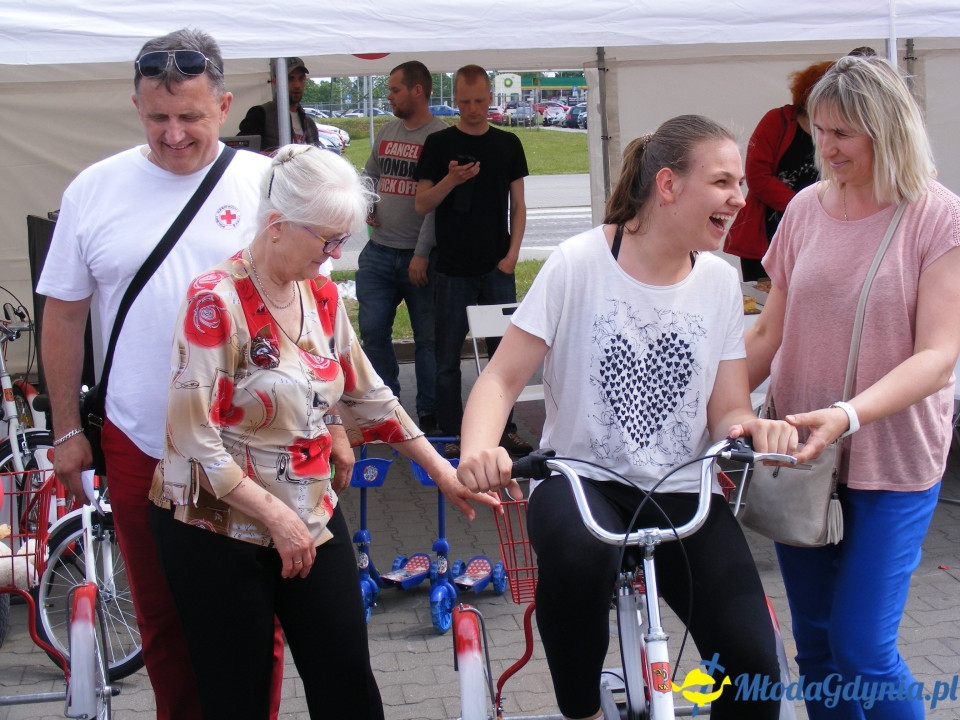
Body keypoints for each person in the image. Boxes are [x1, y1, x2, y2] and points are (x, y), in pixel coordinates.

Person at [34, 28, 344, 720]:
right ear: (136, 106)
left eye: (192, 118)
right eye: (156, 117)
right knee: (166, 622)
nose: (173, 135)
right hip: (142, 441)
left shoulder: (268, 185)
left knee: (250, 623)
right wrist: (63, 430)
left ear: (226, 106)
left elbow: (317, 310)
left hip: (256, 451)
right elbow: (63, 316)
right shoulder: (94, 189)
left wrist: (339, 422)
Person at [457, 115, 799, 720]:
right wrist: (481, 449)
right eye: (723, 182)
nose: (739, 199)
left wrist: (751, 427)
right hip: (581, 480)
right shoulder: (578, 263)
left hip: (680, 485)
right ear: (667, 185)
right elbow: (500, 377)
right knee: (580, 553)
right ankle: (582, 709)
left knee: (752, 661)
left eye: (741, 183)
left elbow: (728, 410)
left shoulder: (721, 283)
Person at [148, 144, 498, 720]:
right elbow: (192, 438)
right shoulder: (215, 300)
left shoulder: (322, 293)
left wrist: (441, 472)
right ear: (279, 226)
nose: (337, 254)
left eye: (345, 240)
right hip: (219, 528)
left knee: (346, 682)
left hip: (308, 513)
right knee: (234, 693)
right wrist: (276, 517)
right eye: (329, 240)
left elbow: (369, 393)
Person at [745, 54, 960, 720]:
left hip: (891, 459)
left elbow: (939, 356)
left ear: (886, 128)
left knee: (862, 645)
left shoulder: (936, 216)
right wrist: (710, 408)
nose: (825, 148)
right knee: (814, 644)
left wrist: (846, 415)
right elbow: (765, 336)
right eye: (819, 130)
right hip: (798, 459)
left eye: (843, 133)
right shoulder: (806, 208)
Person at [414, 63, 533, 459]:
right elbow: (421, 204)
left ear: (490, 97)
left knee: (505, 355)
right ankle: (453, 432)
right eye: (465, 101)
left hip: (497, 265)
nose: (473, 108)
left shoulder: (508, 143)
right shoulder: (438, 144)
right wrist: (451, 180)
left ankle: (504, 430)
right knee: (447, 356)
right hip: (450, 267)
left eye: (480, 100)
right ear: (455, 100)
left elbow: (518, 205)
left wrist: (513, 254)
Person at [357, 60, 447, 435]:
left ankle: (428, 411)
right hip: (378, 252)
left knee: (428, 340)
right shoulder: (388, 130)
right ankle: (386, 406)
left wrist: (422, 253)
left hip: (418, 256)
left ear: (418, 90)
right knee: (373, 332)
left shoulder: (440, 137)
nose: (389, 96)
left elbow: (440, 205)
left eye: (395, 90)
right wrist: (368, 201)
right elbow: (369, 174)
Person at [723, 60, 833, 281]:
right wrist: (802, 206)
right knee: (764, 300)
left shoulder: (837, 131)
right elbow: (756, 176)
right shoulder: (777, 121)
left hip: (816, 231)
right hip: (768, 233)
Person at [238, 57, 319, 152]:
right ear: (275, 82)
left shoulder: (309, 123)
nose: (297, 85)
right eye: (290, 79)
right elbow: (242, 151)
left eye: (301, 78)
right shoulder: (260, 113)